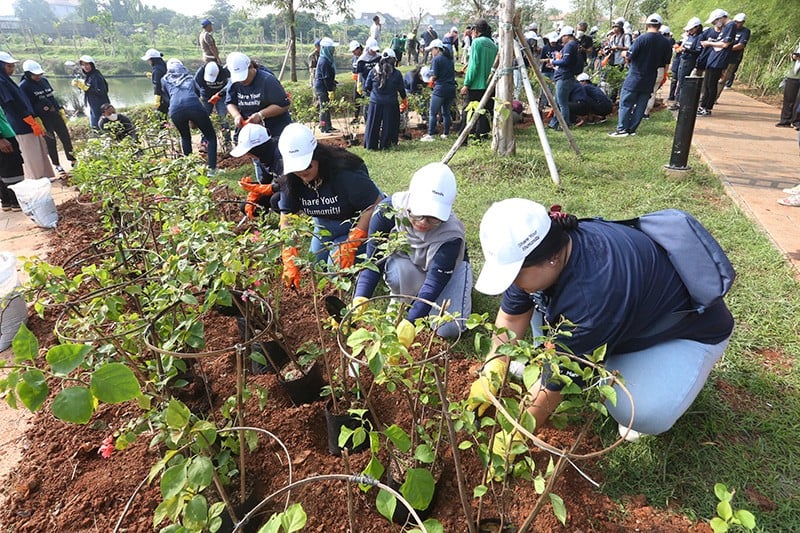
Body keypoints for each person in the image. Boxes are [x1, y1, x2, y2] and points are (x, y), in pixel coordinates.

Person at [467, 199, 734, 441]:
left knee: (636, 411)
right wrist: (493, 367)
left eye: (515, 275)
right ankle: (584, 360)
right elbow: (513, 316)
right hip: (622, 318)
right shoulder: (544, 251)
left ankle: (650, 380)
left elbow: (557, 379)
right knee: (549, 319)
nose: (512, 283)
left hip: (681, 333)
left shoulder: (593, 292)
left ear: (550, 259)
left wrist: (515, 436)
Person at [352, 163, 472, 339]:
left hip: (447, 271)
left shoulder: (451, 235)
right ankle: (404, 296)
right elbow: (373, 261)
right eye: (419, 214)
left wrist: (411, 322)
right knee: (397, 273)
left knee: (447, 329)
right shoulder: (387, 212)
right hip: (409, 261)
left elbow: (434, 283)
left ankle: (456, 291)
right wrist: (360, 298)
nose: (423, 222)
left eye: (433, 218)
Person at [277, 123, 383, 285]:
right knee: (314, 267)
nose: (302, 172)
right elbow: (287, 219)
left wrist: (353, 242)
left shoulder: (345, 173)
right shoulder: (291, 180)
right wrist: (289, 256)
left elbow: (375, 203)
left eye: (307, 165)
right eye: (296, 168)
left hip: (355, 223)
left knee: (334, 269)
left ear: (317, 155)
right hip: (323, 226)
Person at [608, 14, 672, 137]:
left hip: (635, 76)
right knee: (641, 105)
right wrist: (663, 77)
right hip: (650, 78)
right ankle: (632, 130)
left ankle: (622, 129)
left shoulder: (641, 39)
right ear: (659, 26)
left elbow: (629, 55)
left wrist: (623, 54)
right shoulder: (665, 43)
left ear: (647, 25)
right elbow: (666, 63)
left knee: (626, 103)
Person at [0, 52, 53, 180]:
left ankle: (44, 176)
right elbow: (12, 105)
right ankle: (37, 178)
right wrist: (28, 119)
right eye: (9, 66)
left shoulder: (7, 80)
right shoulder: (2, 82)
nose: (12, 69)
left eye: (12, 66)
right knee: (31, 154)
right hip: (20, 124)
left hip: (29, 121)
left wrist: (33, 118)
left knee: (40, 150)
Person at [160, 58, 217, 175]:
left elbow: (167, 96)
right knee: (210, 136)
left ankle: (191, 170)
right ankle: (212, 170)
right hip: (193, 105)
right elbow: (198, 93)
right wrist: (194, 117)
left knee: (185, 137)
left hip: (175, 109)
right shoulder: (189, 77)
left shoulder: (164, 79)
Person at [19, 60, 76, 175]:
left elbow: (51, 97)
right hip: (43, 119)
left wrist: (60, 109)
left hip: (55, 115)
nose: (38, 76)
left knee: (65, 137)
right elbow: (26, 104)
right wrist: (35, 119)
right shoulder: (24, 86)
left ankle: (73, 160)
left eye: (39, 74)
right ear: (28, 74)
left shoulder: (44, 81)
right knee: (51, 141)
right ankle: (57, 165)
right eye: (35, 75)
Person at [225, 52, 292, 140]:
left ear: (251, 67)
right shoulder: (234, 82)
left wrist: (261, 115)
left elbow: (283, 105)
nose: (242, 81)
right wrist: (236, 115)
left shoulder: (267, 80)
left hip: (274, 129)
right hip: (249, 131)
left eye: (244, 76)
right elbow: (230, 102)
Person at [230, 123, 282, 218]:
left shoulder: (281, 155)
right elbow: (265, 180)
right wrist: (253, 194)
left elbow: (289, 185)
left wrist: (258, 188)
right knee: (246, 205)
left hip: (297, 190)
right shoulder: (264, 157)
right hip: (282, 187)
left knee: (276, 200)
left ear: (258, 149)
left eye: (249, 152)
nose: (248, 155)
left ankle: (291, 224)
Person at [461, 19, 498, 139]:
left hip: (475, 84)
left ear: (475, 30)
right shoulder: (493, 45)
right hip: (489, 85)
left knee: (468, 111)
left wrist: (467, 84)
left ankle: (464, 137)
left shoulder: (476, 42)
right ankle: (482, 136)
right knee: (484, 112)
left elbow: (474, 65)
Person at [363, 49, 407, 150]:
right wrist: (404, 99)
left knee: (372, 124)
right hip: (390, 103)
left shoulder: (373, 71)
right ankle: (386, 145)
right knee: (389, 125)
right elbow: (401, 90)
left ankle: (370, 146)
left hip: (375, 102)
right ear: (393, 60)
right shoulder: (396, 74)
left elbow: (367, 87)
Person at [697, 9, 735, 117]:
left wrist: (709, 43)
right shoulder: (725, 28)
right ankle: (702, 105)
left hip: (719, 60)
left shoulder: (731, 26)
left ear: (721, 18)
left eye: (714, 21)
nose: (714, 24)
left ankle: (707, 108)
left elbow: (725, 44)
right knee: (707, 84)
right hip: (713, 59)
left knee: (711, 85)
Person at [544, 26, 581, 130]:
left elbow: (566, 61)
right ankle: (554, 123)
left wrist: (553, 62)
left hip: (564, 77)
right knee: (557, 102)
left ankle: (564, 125)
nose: (561, 39)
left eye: (562, 37)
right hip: (565, 75)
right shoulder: (575, 45)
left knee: (562, 103)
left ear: (567, 36)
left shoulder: (570, 46)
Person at [420, 39, 456, 141]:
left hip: (440, 89)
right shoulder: (449, 59)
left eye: (432, 50)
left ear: (437, 49)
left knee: (433, 112)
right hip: (451, 88)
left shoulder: (437, 59)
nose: (431, 52)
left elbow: (435, 75)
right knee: (446, 112)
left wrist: (428, 73)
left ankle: (430, 134)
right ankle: (446, 133)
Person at [194, 61, 231, 151]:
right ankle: (204, 142)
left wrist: (219, 94)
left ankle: (227, 142)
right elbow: (195, 87)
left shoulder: (224, 71)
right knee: (204, 118)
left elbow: (231, 83)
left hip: (221, 96)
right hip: (206, 97)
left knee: (223, 118)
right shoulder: (201, 72)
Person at [72, 55, 110, 130]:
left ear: (91, 64)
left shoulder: (96, 76)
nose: (85, 67)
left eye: (87, 64)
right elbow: (89, 87)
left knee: (100, 126)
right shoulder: (89, 75)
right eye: (83, 65)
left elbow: (103, 91)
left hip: (101, 105)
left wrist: (86, 88)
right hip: (93, 104)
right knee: (94, 125)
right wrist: (80, 85)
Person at [719, 13, 750, 92]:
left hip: (734, 56)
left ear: (743, 22)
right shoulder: (728, 28)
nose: (738, 24)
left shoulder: (745, 31)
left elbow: (741, 45)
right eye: (736, 22)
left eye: (740, 22)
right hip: (722, 55)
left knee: (727, 74)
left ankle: (726, 85)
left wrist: (727, 47)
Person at [0, 106, 23, 211]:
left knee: (4, 170)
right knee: (12, 168)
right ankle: (16, 201)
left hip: (5, 133)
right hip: (4, 137)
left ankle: (7, 200)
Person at [315, 37, 339, 134]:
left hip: (326, 86)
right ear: (326, 49)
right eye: (331, 48)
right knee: (324, 108)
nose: (333, 50)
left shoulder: (327, 59)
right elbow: (325, 78)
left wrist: (333, 82)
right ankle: (323, 127)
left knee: (327, 107)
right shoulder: (324, 61)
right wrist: (330, 90)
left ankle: (328, 126)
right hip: (322, 88)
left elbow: (328, 76)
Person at [776, 42, 800, 128]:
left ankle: (797, 122)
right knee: (789, 98)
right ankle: (785, 121)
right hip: (793, 75)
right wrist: (795, 56)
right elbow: (793, 56)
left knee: (799, 101)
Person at [141, 48, 170, 114]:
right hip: (170, 94)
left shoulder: (156, 70)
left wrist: (157, 100)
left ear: (153, 59)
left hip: (164, 97)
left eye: (149, 60)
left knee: (162, 114)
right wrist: (152, 76)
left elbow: (157, 86)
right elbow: (163, 78)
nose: (148, 62)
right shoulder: (165, 65)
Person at [348, 41, 364, 123]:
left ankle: (366, 117)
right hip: (356, 82)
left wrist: (361, 82)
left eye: (354, 51)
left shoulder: (365, 57)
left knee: (365, 100)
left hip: (363, 82)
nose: (353, 53)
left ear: (359, 49)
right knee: (356, 100)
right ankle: (356, 117)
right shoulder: (354, 58)